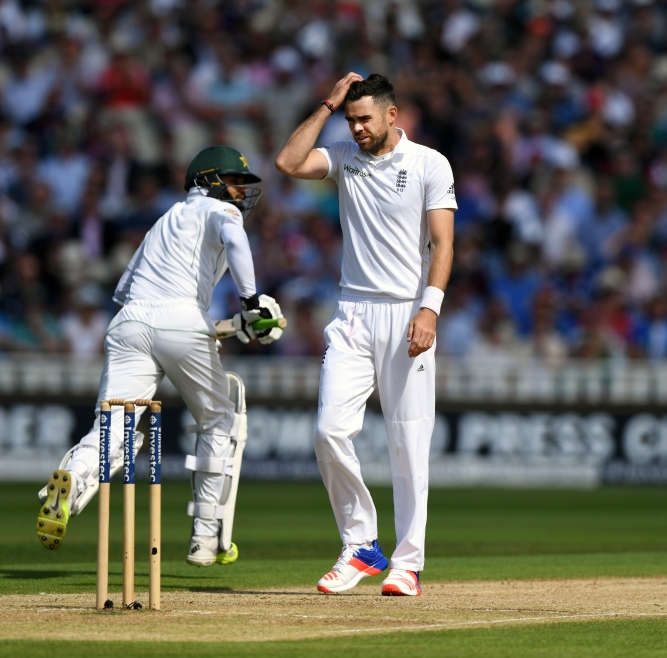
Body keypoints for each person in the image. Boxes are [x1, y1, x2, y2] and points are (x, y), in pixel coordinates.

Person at [36, 146, 284, 567]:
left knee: (114, 425)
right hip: (181, 320)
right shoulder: (220, 212)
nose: (242, 192)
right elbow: (233, 242)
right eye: (235, 182)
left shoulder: (162, 223)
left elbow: (141, 300)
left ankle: (72, 481)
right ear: (207, 180)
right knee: (220, 419)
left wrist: (234, 326)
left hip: (130, 323)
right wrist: (252, 301)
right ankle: (206, 538)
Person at [275, 73, 456, 596]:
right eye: (350, 119)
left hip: (406, 314)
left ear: (392, 115)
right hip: (352, 312)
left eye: (364, 119)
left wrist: (430, 309)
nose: (356, 128)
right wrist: (328, 103)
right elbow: (288, 163)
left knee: (408, 441)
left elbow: (443, 245)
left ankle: (408, 563)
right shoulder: (343, 156)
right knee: (329, 431)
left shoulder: (429, 164)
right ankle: (361, 545)